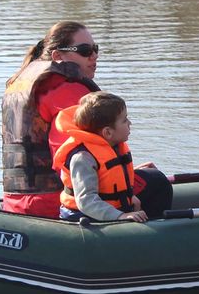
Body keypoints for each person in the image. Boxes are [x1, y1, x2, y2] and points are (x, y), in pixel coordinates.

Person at [2, 21, 170, 218]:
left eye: (95, 49)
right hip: (53, 202)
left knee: (145, 177)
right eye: (84, 50)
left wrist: (122, 169)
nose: (94, 56)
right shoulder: (68, 91)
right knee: (158, 183)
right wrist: (126, 183)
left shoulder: (24, 83)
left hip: (17, 200)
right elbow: (74, 157)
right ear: (58, 56)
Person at [52, 91, 163, 222]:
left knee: (157, 180)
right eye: (124, 120)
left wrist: (130, 197)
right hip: (84, 217)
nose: (130, 123)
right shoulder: (82, 158)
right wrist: (120, 216)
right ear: (108, 132)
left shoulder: (113, 146)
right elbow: (86, 202)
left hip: (109, 210)